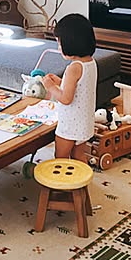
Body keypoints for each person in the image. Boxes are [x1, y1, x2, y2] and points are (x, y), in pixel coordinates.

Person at [42, 13, 97, 162]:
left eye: (60, 44)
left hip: (70, 124)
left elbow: (66, 99)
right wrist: (60, 82)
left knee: (60, 158)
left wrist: (50, 87)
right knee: (78, 155)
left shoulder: (74, 67)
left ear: (71, 43)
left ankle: (61, 178)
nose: (59, 48)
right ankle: (84, 178)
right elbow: (80, 88)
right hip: (85, 122)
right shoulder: (90, 63)